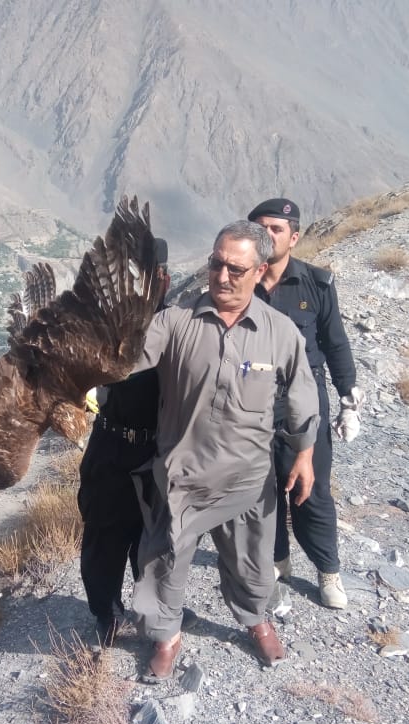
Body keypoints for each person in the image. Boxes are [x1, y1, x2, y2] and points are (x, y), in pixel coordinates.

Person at [131, 220, 320, 680]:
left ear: (259, 271)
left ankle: (255, 619)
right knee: (165, 560)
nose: (222, 276)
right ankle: (166, 635)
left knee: (252, 560)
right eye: (216, 264)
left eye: (236, 269)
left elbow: (302, 394)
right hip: (183, 475)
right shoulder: (176, 322)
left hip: (247, 478)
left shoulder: (279, 332)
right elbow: (125, 359)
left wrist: (304, 455)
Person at [247, 198, 362, 610]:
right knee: (262, 493)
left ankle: (328, 570)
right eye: (260, 228)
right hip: (252, 407)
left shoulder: (317, 284)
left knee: (310, 492)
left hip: (305, 407)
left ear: (293, 237)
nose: (267, 235)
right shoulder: (241, 282)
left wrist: (349, 400)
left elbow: (335, 344)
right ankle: (277, 560)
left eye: (276, 229)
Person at [78, 240, 168, 648]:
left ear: (163, 279)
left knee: (155, 537)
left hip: (160, 450)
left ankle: (155, 608)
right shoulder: (102, 327)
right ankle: (106, 612)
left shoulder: (181, 327)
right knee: (104, 532)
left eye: (146, 276)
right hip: (110, 444)